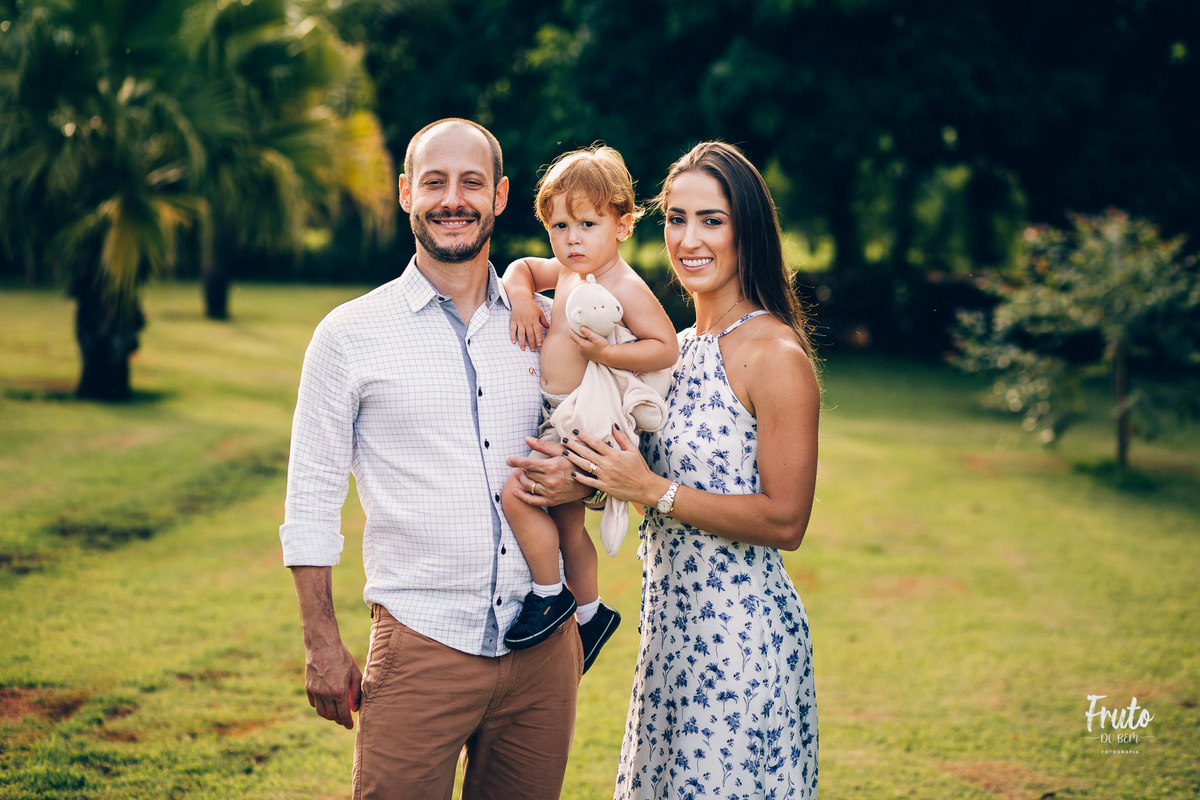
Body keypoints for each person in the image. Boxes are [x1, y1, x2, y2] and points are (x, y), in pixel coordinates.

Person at [280, 118, 591, 800]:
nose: (455, 199)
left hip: (543, 656)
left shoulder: (553, 326)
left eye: (472, 183)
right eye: (435, 183)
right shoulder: (349, 335)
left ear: (501, 196)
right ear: (405, 194)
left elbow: (607, 446)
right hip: (421, 645)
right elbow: (310, 498)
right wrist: (322, 643)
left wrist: (584, 480)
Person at [564, 142, 821, 799]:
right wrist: (589, 475)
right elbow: (631, 473)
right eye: (676, 219)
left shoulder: (775, 354)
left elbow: (787, 520)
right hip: (668, 639)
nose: (688, 239)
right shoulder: (673, 350)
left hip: (740, 646)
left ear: (748, 231)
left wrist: (652, 490)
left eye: (712, 219)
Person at [500, 145, 678, 670]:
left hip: (585, 419)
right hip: (558, 413)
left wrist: (607, 352)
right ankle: (591, 613)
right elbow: (519, 268)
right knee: (569, 524)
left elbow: (664, 345)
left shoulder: (625, 284)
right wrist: (521, 298)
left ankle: (549, 593)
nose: (571, 239)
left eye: (586, 223)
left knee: (518, 494)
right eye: (559, 226)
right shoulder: (568, 270)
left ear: (622, 224)